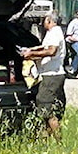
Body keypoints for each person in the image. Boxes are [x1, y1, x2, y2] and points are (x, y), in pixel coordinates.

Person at [20, 11, 67, 139]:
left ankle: (59, 140)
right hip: (51, 74)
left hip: (51, 75)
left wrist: (32, 55)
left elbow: (51, 51)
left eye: (44, 19)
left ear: (49, 20)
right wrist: (31, 50)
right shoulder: (52, 33)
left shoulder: (55, 32)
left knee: (44, 104)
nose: (42, 22)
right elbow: (44, 47)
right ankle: (46, 138)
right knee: (48, 108)